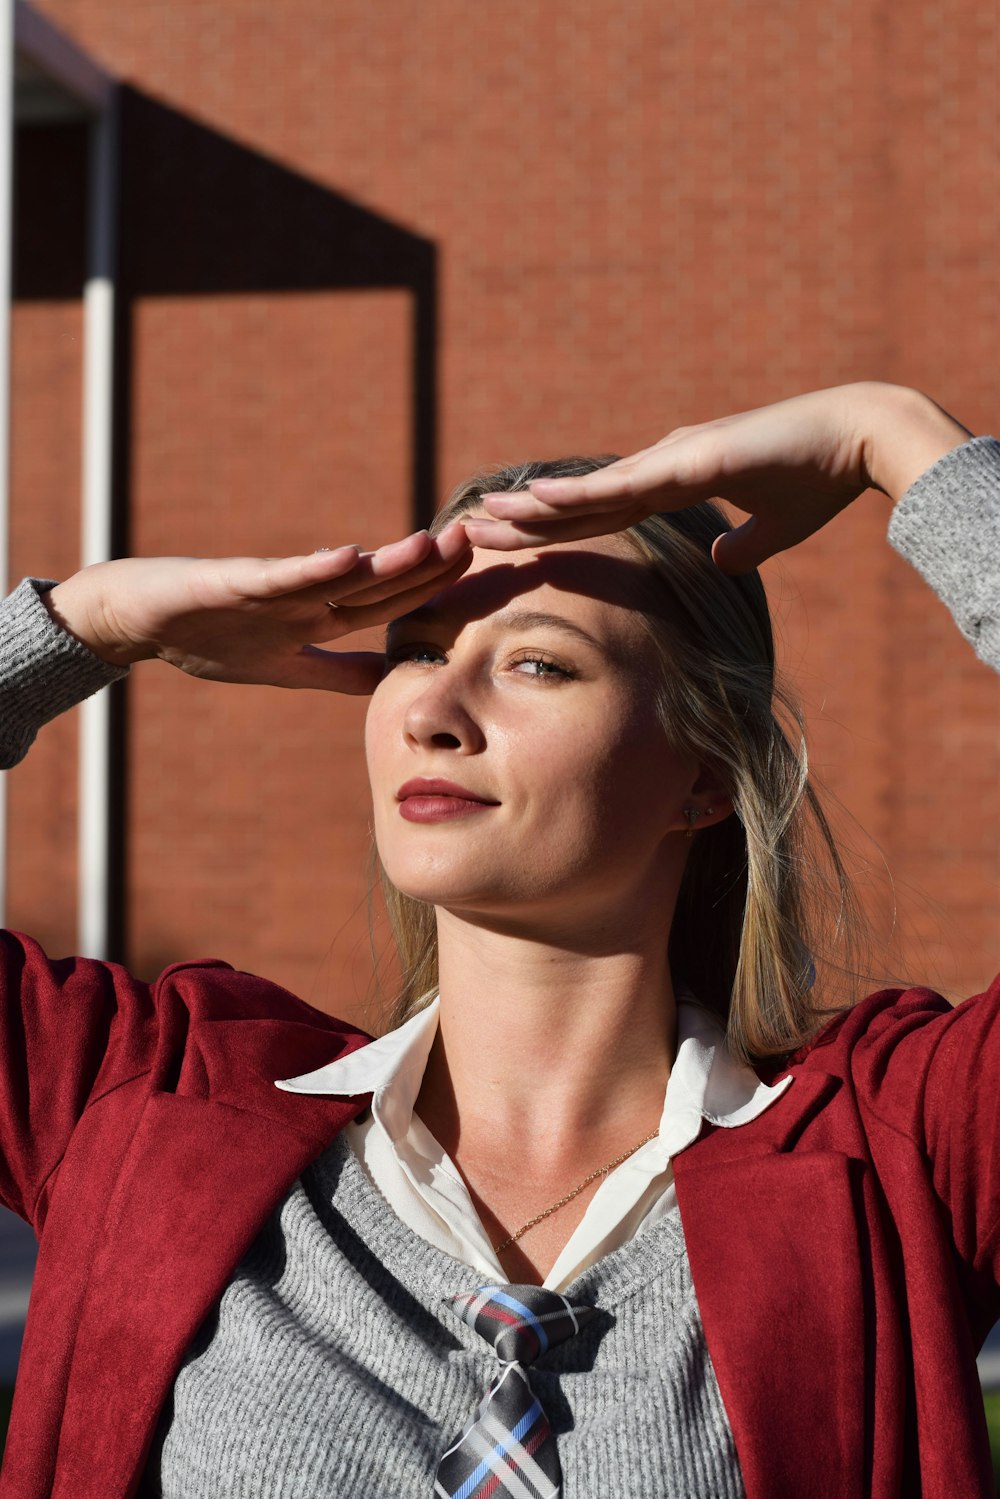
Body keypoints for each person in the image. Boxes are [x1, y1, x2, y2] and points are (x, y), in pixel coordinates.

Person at [0, 380, 996, 1499]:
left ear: (704, 777)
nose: (433, 708)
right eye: (417, 650)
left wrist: (896, 438)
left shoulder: (898, 1154)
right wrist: (81, 625)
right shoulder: (144, 1101)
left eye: (538, 662)